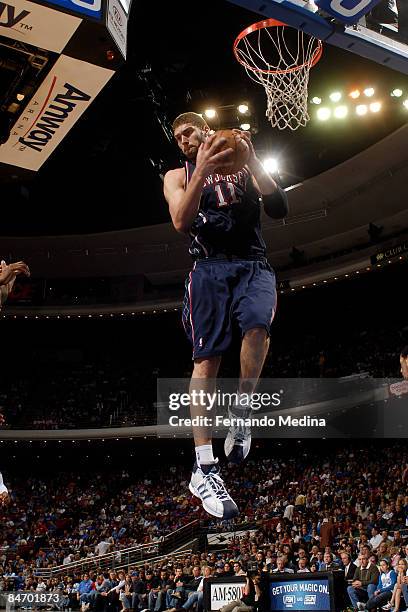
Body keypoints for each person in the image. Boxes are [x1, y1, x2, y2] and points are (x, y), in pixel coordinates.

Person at [163, 112, 288, 519]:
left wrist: (251, 161)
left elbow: (280, 207)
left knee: (258, 326)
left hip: (251, 260)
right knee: (207, 361)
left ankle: (242, 411)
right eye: (178, 136)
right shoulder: (177, 175)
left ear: (206, 131)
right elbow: (182, 221)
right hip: (209, 267)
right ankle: (204, 466)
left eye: (189, 132)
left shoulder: (240, 157)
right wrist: (201, 168)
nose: (183, 139)